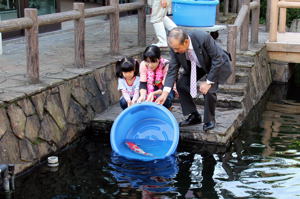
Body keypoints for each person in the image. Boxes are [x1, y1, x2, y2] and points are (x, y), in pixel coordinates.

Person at [155, 28, 232, 131]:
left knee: (209, 89)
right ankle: (194, 116)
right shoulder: (174, 46)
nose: (175, 51)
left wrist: (208, 82)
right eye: (174, 49)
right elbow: (173, 69)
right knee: (181, 84)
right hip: (195, 64)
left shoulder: (202, 37)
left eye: (177, 49)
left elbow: (218, 59)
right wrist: (165, 93)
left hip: (216, 63)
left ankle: (210, 119)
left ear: (186, 42)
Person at [137, 45, 175, 109]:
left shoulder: (166, 65)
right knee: (127, 101)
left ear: (159, 59)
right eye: (147, 61)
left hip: (166, 89)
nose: (150, 65)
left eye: (153, 61)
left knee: (162, 99)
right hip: (150, 88)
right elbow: (143, 83)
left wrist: (153, 93)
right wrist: (143, 95)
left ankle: (165, 110)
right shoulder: (143, 64)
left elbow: (166, 86)